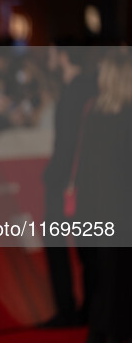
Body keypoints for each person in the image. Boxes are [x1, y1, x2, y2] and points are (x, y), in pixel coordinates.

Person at [75, 49, 132, 343]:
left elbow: (85, 169)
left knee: (102, 284)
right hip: (122, 215)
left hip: (93, 212)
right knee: (120, 286)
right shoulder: (124, 115)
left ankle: (100, 334)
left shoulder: (95, 111)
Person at [41, 42, 98, 328]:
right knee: (89, 249)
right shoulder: (90, 87)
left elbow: (66, 143)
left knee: (59, 247)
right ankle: (90, 309)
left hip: (66, 183)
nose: (47, 58)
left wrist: (53, 177)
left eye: (51, 52)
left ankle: (68, 311)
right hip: (88, 182)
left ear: (62, 55)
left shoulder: (73, 92)